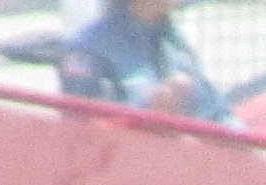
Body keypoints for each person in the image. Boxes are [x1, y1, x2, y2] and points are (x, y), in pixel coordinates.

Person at [55, 0, 231, 118]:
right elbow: (84, 139)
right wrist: (149, 117)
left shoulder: (175, 41)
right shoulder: (87, 50)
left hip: (188, 166)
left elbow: (218, 117)